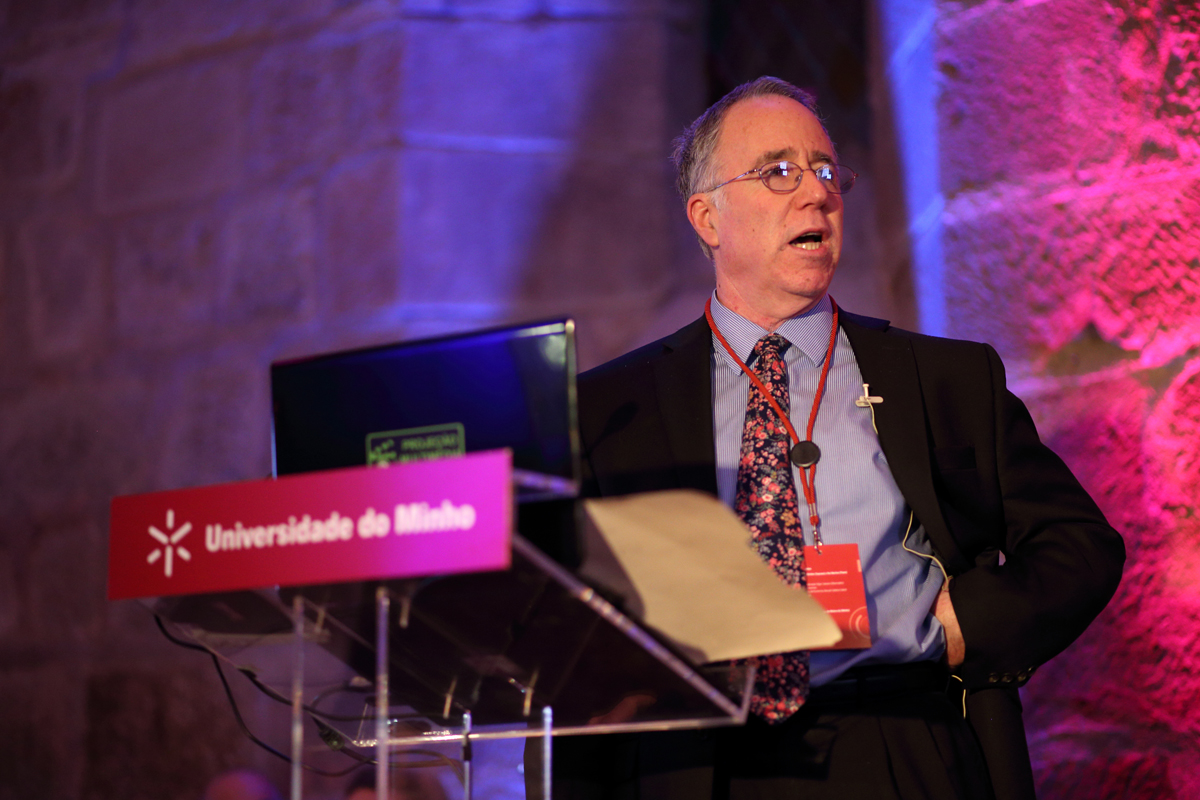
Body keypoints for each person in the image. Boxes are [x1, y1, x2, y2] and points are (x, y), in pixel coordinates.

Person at [539, 76, 1125, 800]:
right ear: (707, 217)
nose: (816, 193)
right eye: (779, 172)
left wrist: (963, 626)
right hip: (697, 768)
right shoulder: (608, 408)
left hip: (897, 744)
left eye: (825, 171)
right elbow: (560, 626)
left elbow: (1079, 546)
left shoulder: (944, 379)